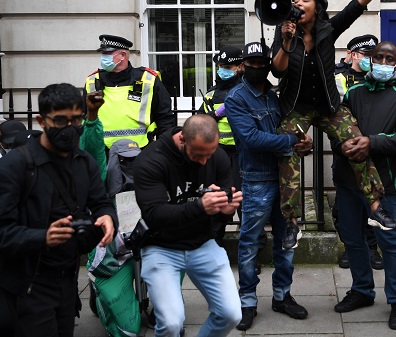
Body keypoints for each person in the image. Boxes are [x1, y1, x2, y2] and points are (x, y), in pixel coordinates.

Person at [271, 0, 396, 249]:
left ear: (317, 7)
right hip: (296, 107)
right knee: (287, 149)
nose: (299, 3)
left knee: (356, 142)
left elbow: (358, 4)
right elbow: (277, 70)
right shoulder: (284, 33)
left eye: (305, 0)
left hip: (329, 105)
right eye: (296, 0)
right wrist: (287, 42)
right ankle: (291, 222)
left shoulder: (328, 30)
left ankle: (376, 206)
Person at [0, 83, 117, 337]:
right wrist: (42, 237)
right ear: (41, 120)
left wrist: (107, 217)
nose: (70, 128)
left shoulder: (84, 162)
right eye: (60, 121)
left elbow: (101, 202)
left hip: (67, 283)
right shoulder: (12, 167)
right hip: (27, 286)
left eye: (76, 120)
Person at [332, 41, 396, 330]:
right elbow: (337, 127)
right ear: (369, 59)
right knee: (353, 239)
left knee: (388, 243)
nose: (382, 61)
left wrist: (373, 142)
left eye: (388, 58)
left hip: (383, 184)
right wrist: (344, 145)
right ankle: (361, 290)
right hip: (348, 182)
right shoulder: (353, 92)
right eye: (377, 57)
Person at [224, 41, 312, 331]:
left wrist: (303, 143)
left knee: (286, 241)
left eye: (263, 63)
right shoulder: (236, 98)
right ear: (242, 66)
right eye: (252, 63)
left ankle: (282, 296)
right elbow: (251, 139)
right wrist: (290, 143)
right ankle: (247, 302)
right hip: (257, 180)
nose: (258, 68)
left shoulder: (275, 96)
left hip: (285, 179)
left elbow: (289, 129)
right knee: (249, 244)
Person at [133, 114, 243, 337]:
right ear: (182, 139)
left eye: (209, 154)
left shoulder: (217, 156)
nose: (204, 161)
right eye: (198, 154)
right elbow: (154, 215)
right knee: (172, 324)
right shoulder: (151, 160)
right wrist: (201, 207)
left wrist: (225, 211)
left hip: (202, 244)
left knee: (231, 314)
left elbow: (220, 209)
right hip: (160, 246)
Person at [332, 34, 383, 270]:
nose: (369, 60)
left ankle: (372, 248)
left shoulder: (379, 77)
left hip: (372, 146)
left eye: (373, 56)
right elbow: (335, 109)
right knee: (346, 203)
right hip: (345, 148)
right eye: (365, 55)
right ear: (352, 54)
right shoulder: (339, 77)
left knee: (371, 198)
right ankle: (350, 247)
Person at [85, 34, 175, 150]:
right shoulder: (93, 80)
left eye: (107, 53)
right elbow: (83, 118)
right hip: (101, 151)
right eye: (102, 53)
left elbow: (165, 118)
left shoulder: (148, 79)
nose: (103, 57)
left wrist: (164, 151)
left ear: (122, 55)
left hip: (140, 151)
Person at [202, 45, 245, 244]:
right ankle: (214, 246)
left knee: (245, 203)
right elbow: (199, 125)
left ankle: (251, 254)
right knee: (218, 200)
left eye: (228, 66)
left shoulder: (247, 90)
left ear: (240, 67)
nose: (223, 70)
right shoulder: (211, 95)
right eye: (221, 66)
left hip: (242, 153)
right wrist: (212, 116)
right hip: (217, 155)